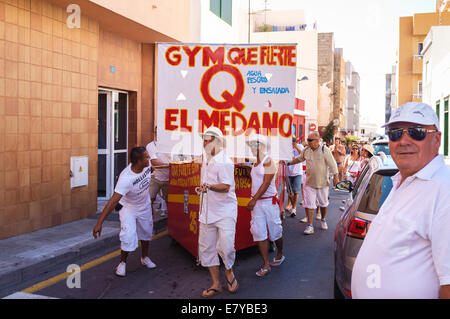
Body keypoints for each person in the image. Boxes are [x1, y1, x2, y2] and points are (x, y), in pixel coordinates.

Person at [352, 102, 450, 299]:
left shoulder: (443, 189)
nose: (404, 140)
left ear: (437, 139)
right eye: (395, 132)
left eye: (417, 131)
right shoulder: (403, 181)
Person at [93, 147, 156, 277]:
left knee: (146, 233)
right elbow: (112, 202)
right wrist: (99, 223)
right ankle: (122, 263)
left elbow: (151, 169)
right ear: (139, 161)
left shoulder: (147, 165)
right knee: (128, 235)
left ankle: (144, 258)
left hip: (144, 206)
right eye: (146, 156)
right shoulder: (125, 179)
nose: (149, 158)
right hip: (129, 208)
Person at [197, 127, 239, 297]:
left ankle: (229, 270)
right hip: (207, 210)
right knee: (207, 248)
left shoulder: (225, 162)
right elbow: (208, 184)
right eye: (204, 139)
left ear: (217, 142)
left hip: (225, 211)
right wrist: (202, 188)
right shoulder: (205, 160)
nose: (205, 142)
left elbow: (226, 186)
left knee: (227, 246)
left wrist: (208, 187)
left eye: (208, 139)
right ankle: (216, 284)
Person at [245, 134, 285, 277]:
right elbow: (256, 177)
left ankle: (280, 254)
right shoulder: (255, 162)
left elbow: (266, 182)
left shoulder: (268, 161)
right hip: (258, 204)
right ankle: (266, 264)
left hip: (268, 202)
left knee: (275, 231)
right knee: (259, 232)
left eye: (253, 145)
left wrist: (254, 199)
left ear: (261, 146)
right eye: (250, 145)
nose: (251, 147)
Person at [287, 132, 338, 235]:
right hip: (309, 182)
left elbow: (333, 165)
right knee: (310, 204)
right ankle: (310, 225)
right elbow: (299, 159)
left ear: (317, 140)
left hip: (322, 183)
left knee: (323, 204)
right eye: (307, 139)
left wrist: (336, 177)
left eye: (310, 140)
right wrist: (288, 163)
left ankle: (323, 219)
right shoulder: (306, 150)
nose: (308, 142)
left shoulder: (325, 150)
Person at [146, 126, 171, 218]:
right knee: (149, 200)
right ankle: (149, 222)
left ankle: (170, 223)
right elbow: (154, 163)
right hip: (155, 177)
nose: (157, 134)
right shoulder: (150, 146)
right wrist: (169, 165)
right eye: (156, 132)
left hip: (169, 178)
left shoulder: (170, 145)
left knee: (170, 202)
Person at [285, 138, 305, 217]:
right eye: (291, 141)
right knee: (290, 192)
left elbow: (303, 155)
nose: (292, 142)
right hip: (288, 172)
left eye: (294, 141)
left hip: (297, 172)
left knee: (296, 191)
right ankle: (292, 206)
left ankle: (294, 208)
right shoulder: (286, 147)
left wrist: (296, 147)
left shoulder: (300, 146)